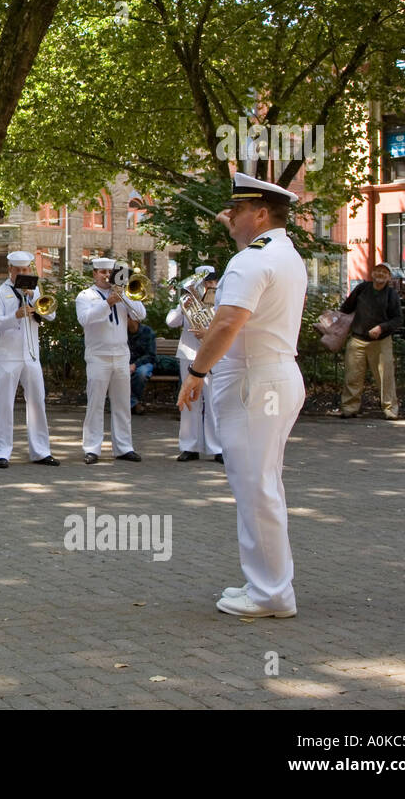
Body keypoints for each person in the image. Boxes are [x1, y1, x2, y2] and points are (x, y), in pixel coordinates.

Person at [178, 172, 306, 618]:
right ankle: (267, 582)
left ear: (260, 212)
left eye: (236, 211)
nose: (228, 217)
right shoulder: (283, 252)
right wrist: (237, 231)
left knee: (256, 488)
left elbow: (229, 322)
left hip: (254, 381)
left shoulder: (251, 261)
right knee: (262, 484)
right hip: (273, 374)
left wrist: (196, 371)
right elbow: (237, 318)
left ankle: (270, 593)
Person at [0, 251, 59, 468]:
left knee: (37, 402)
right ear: (10, 269)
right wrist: (15, 316)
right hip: (8, 356)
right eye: (18, 270)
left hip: (31, 355)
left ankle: (41, 451)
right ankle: (0, 452)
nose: (22, 273)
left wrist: (34, 298)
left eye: (26, 270)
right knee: (4, 403)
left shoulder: (35, 291)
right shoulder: (0, 293)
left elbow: (50, 315)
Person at [76, 257, 145, 464]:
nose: (106, 276)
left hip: (121, 355)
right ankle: (92, 448)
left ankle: (124, 447)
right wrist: (108, 303)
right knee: (95, 404)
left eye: (110, 272)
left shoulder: (124, 293)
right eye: (102, 272)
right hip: (98, 355)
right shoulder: (85, 296)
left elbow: (140, 314)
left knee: (123, 403)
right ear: (94, 274)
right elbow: (85, 319)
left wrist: (126, 297)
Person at [166, 266, 222, 462]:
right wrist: (182, 307)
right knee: (190, 401)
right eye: (205, 281)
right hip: (189, 354)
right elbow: (170, 322)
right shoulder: (187, 301)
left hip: (213, 355)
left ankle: (217, 448)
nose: (209, 285)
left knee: (214, 401)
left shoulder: (220, 301)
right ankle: (189, 446)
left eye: (211, 281)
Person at [338, 263, 403, 420]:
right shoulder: (362, 289)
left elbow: (398, 319)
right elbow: (346, 308)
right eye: (378, 271)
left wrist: (381, 327)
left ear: (389, 277)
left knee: (385, 377)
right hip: (357, 339)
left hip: (381, 341)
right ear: (372, 273)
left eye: (384, 272)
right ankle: (349, 408)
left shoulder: (391, 294)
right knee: (352, 376)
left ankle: (390, 409)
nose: (380, 274)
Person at [127, 316, 157, 414]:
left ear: (134, 319)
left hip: (144, 363)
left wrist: (135, 365)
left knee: (141, 373)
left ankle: (131, 403)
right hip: (125, 363)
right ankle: (135, 403)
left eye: (126, 317)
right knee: (115, 372)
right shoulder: (121, 332)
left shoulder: (147, 332)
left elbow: (151, 355)